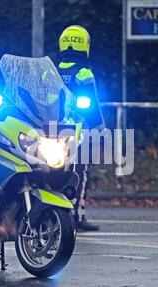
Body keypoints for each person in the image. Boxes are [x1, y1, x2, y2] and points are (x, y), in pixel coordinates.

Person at [57, 25, 105, 232]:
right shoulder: (84, 73)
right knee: (80, 172)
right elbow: (93, 103)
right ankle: (76, 215)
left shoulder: (51, 69)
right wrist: (101, 129)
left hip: (49, 127)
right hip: (78, 130)